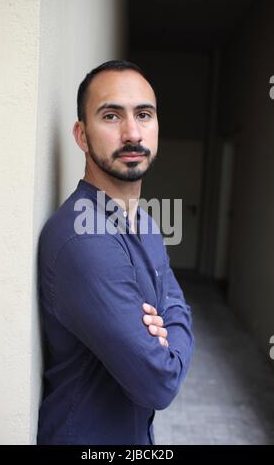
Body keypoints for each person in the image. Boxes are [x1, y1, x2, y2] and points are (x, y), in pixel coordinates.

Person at [37, 60, 195, 445]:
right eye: (111, 115)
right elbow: (159, 382)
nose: (132, 133)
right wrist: (170, 339)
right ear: (81, 134)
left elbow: (176, 302)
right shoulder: (84, 241)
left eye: (144, 114)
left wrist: (167, 329)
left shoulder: (144, 222)